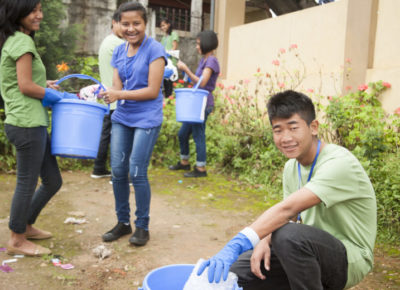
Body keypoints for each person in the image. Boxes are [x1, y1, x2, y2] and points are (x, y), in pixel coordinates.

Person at [197, 90, 377, 289]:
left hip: (349, 259)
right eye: (278, 130)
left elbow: (287, 210)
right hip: (305, 250)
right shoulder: (292, 167)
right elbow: (286, 217)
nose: (286, 138)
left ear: (314, 127)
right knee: (238, 271)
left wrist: (238, 242)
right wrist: (263, 241)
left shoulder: (339, 163)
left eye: (293, 127)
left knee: (288, 236)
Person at [0, 0, 69, 256]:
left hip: (31, 122)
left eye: (40, 10)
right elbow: (25, 86)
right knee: (26, 183)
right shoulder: (22, 42)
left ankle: (25, 225)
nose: (39, 15)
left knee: (52, 180)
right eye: (33, 11)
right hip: (26, 123)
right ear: (18, 13)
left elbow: (27, 80)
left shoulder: (16, 40)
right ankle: (16, 238)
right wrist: (56, 97)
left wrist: (46, 84)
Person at [98, 2, 167, 246]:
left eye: (136, 23)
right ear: (118, 25)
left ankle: (142, 226)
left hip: (147, 117)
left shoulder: (155, 50)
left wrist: (119, 95)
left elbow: (152, 90)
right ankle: (123, 223)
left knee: (137, 170)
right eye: (125, 24)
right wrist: (105, 93)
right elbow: (116, 88)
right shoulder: (118, 51)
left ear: (145, 24)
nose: (131, 28)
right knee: (118, 170)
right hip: (123, 117)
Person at [168, 30, 220, 178]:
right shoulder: (204, 60)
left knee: (198, 135)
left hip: (203, 103)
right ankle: (185, 162)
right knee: (183, 133)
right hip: (196, 102)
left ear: (206, 43)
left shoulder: (211, 61)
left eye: (198, 44)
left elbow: (202, 82)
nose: (197, 47)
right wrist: (187, 74)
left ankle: (201, 169)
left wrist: (186, 69)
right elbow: (196, 80)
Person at [90, 9, 125, 179]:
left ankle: (98, 168)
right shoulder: (117, 44)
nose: (126, 29)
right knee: (118, 137)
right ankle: (116, 175)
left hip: (106, 97)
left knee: (105, 135)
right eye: (123, 24)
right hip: (115, 98)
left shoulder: (106, 41)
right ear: (114, 22)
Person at [160, 18, 178, 98]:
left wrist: (168, 53)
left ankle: (169, 101)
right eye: (161, 26)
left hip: (171, 63)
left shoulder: (174, 34)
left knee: (169, 85)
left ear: (168, 24)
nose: (162, 27)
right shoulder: (164, 37)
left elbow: (174, 47)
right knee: (165, 83)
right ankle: (167, 101)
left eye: (164, 25)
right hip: (164, 63)